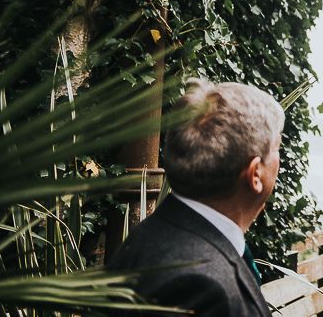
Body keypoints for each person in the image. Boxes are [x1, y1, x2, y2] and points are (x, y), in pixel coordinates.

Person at [107, 78, 282, 316]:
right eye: (276, 148)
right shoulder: (203, 291)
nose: (278, 160)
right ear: (255, 174)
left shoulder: (154, 234)